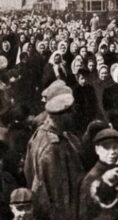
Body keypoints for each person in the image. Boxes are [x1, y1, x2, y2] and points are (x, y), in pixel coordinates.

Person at [24, 84, 84, 220]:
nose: (74, 114)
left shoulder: (38, 136)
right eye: (71, 111)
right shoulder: (53, 147)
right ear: (63, 114)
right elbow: (60, 197)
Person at [79, 128, 118, 220]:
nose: (112, 152)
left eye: (115, 147)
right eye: (106, 147)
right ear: (97, 149)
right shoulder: (92, 178)